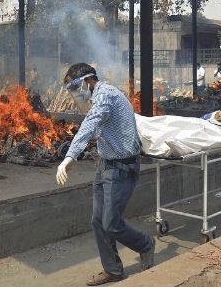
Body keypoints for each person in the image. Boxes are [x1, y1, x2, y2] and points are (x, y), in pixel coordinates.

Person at [55, 63, 154, 285]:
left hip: (121, 168)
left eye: (74, 88)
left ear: (88, 81)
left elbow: (89, 125)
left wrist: (70, 157)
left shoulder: (106, 95)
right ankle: (113, 271)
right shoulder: (97, 97)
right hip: (106, 166)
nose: (74, 94)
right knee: (98, 222)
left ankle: (145, 244)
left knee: (111, 223)